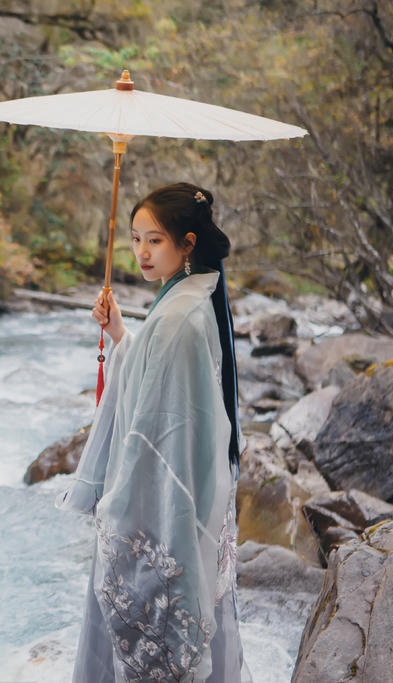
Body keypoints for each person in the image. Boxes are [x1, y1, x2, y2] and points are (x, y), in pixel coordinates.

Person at [57, 182, 250, 682]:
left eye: (155, 240)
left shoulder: (180, 317)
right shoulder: (191, 296)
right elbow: (156, 376)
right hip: (189, 496)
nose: (141, 252)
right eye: (135, 239)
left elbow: (158, 431)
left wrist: (116, 505)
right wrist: (122, 335)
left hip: (164, 507)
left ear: (187, 243)